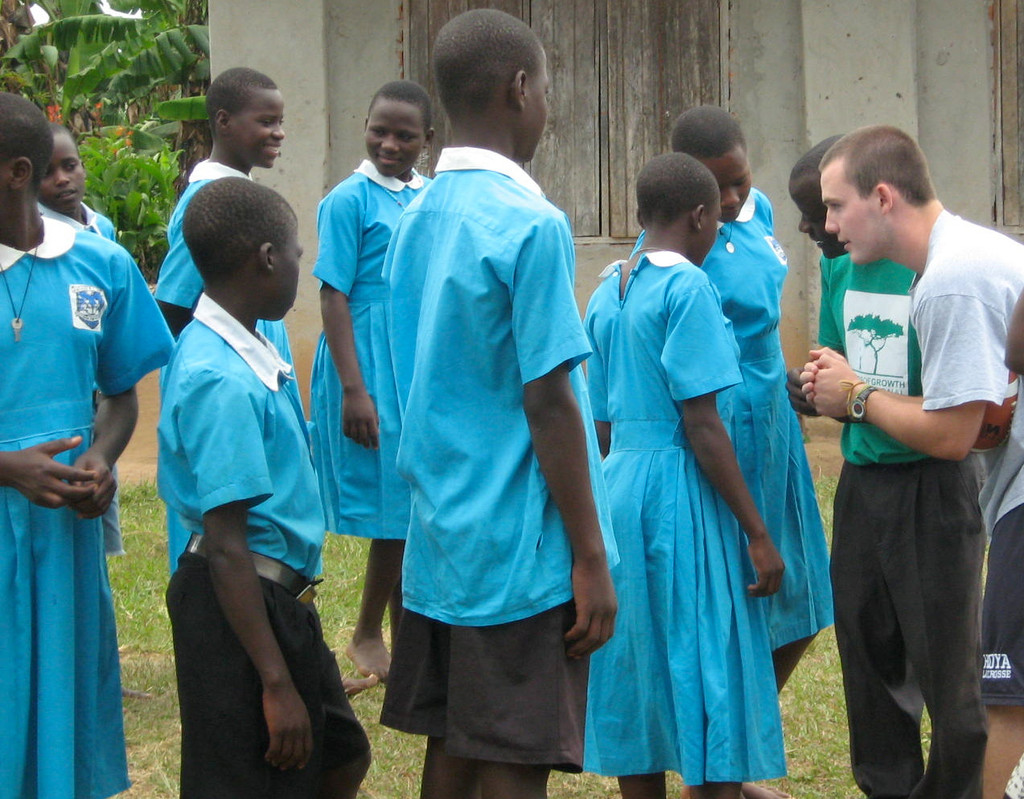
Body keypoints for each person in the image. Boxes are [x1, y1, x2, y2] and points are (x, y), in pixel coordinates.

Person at [379, 10, 618, 799]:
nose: (547, 106)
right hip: (519, 544)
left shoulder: (416, 216)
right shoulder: (531, 224)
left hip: (441, 534)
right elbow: (550, 400)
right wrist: (589, 555)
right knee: (514, 752)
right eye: (545, 89)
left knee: (453, 741)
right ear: (520, 90)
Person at [803, 125, 1024, 799]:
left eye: (837, 206)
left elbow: (955, 436)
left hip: (973, 492)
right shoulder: (956, 260)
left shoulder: (948, 280)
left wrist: (857, 394)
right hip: (972, 488)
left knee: (992, 683)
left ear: (882, 196)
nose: (829, 226)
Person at [158, 177, 372, 798]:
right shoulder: (218, 377)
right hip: (236, 603)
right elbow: (226, 544)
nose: (303, 267)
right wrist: (274, 683)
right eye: (300, 254)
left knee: (340, 754)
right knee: (249, 778)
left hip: (278, 601)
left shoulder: (247, 348)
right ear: (268, 258)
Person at [583, 152, 786, 799]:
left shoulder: (608, 287)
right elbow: (703, 424)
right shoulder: (687, 288)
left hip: (619, 489)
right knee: (707, 659)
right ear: (701, 216)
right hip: (681, 495)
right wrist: (756, 530)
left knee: (637, 664)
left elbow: (604, 423)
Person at [0, 91, 173, 798]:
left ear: (15, 172)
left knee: (63, 687)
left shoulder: (101, 265)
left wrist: (101, 456)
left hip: (64, 534)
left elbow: (122, 394)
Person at [310, 79, 433, 683]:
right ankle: (365, 632)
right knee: (397, 502)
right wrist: (353, 390)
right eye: (379, 130)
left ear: (427, 141)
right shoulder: (349, 200)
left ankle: (404, 635)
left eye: (404, 135)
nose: (389, 143)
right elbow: (333, 293)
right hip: (364, 362)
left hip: (410, 361)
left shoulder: (428, 197)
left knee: (407, 496)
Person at [155, 66, 293, 571]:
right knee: (218, 519)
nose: (278, 132)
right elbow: (171, 307)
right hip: (222, 381)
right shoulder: (210, 202)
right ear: (224, 122)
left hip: (246, 365)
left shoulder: (237, 192)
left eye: (281, 121)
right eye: (266, 121)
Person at [38, 123, 116, 240]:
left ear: (83, 168)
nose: (62, 179)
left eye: (70, 166)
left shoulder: (102, 227)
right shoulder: (38, 240)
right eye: (46, 173)